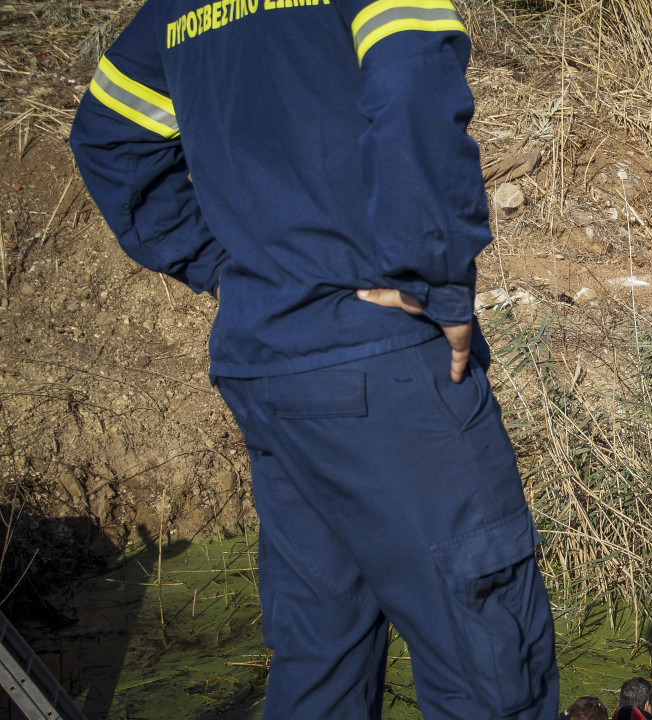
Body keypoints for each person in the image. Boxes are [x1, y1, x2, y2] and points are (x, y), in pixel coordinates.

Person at [68, 0, 558, 717]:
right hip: (383, 367)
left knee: (320, 664)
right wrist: (435, 275)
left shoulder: (178, 7)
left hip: (268, 366)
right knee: (490, 661)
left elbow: (109, 135)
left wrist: (233, 269)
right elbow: (411, 81)